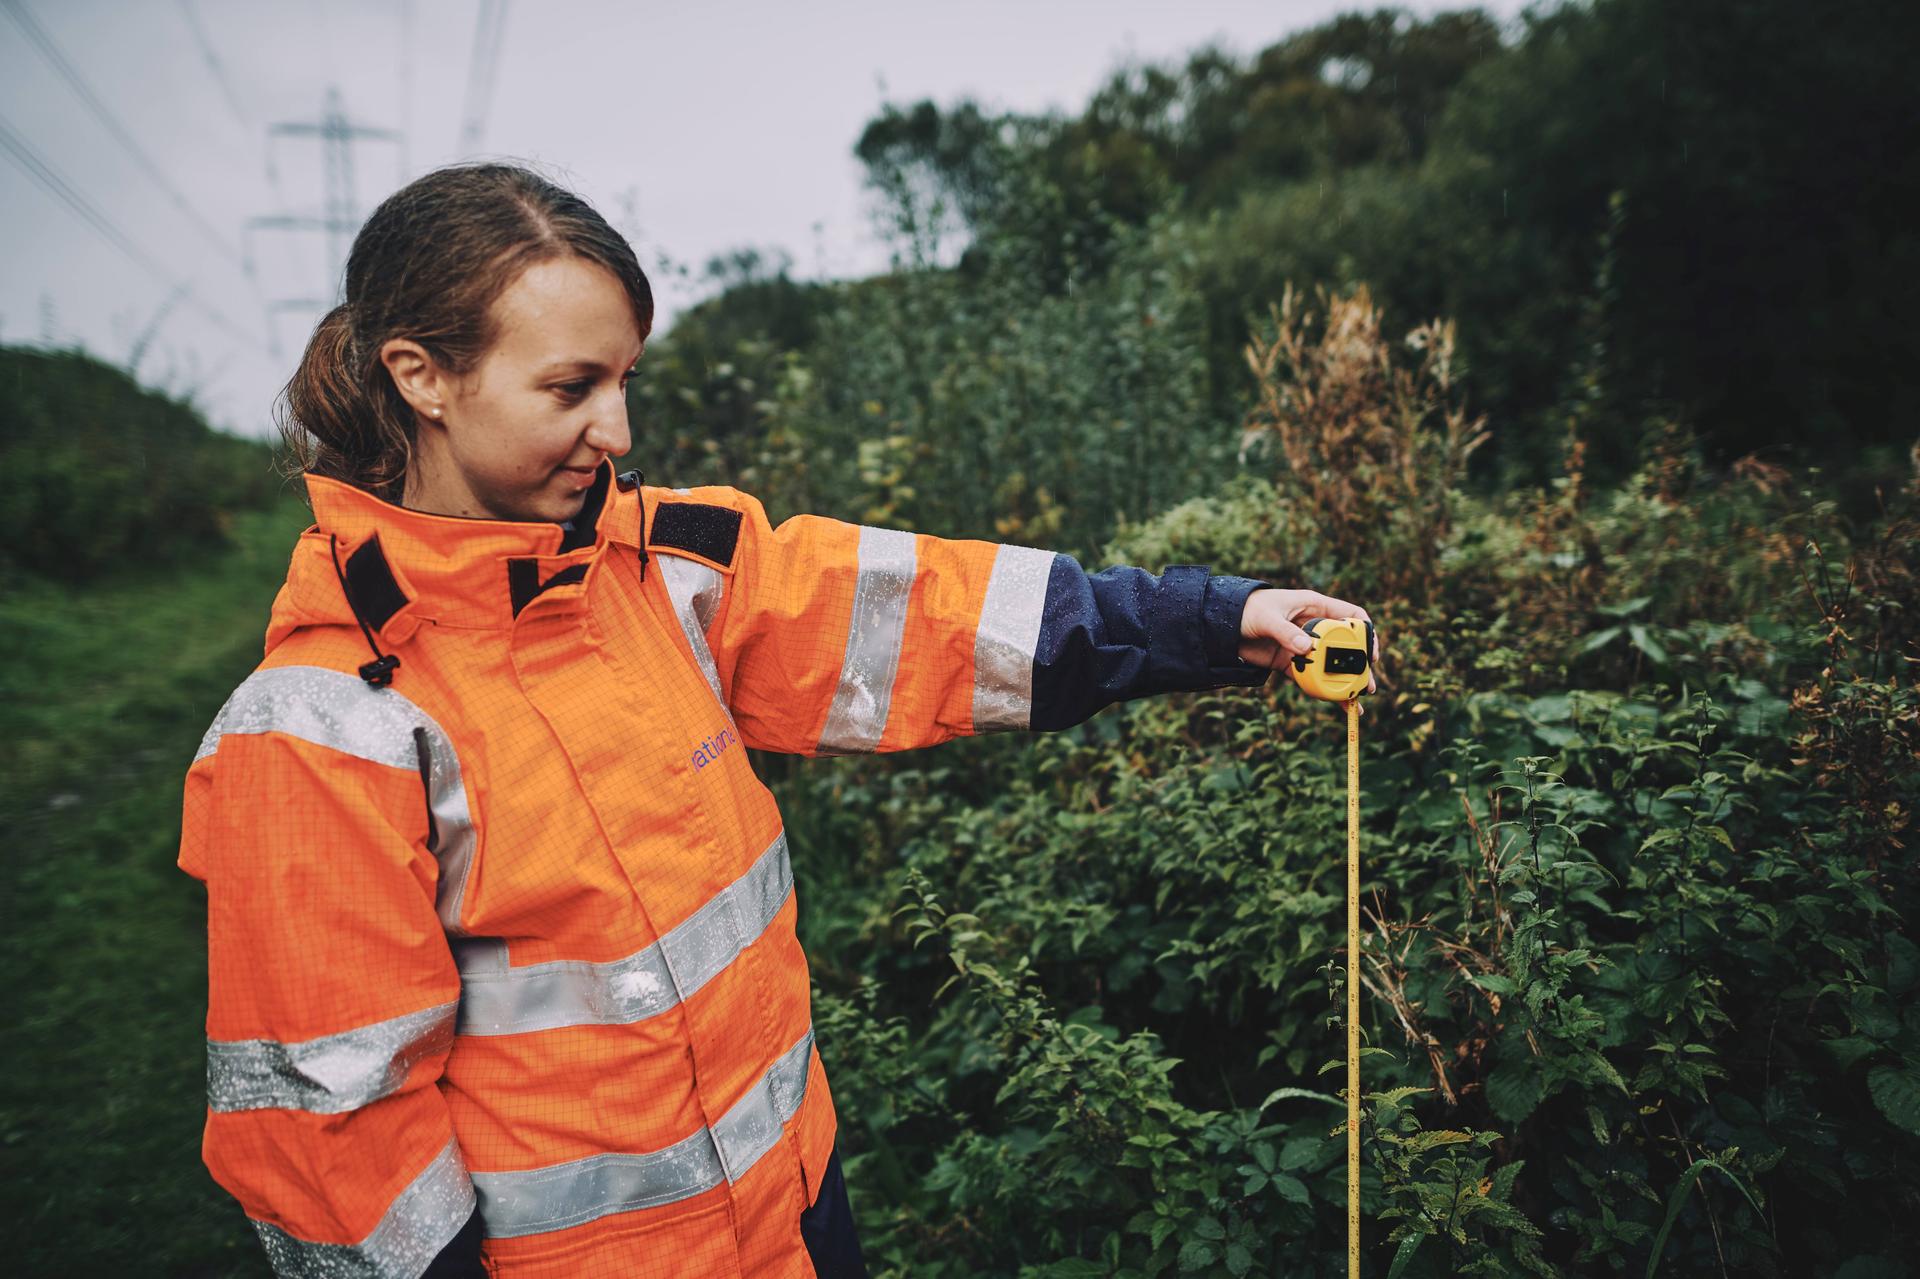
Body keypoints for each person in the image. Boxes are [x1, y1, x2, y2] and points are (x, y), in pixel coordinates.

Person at [176, 161, 1380, 1279]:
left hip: (802, 1218)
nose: (619, 434)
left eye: (625, 379)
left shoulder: (670, 571)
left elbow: (941, 622)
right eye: (571, 388)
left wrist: (1220, 619)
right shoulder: (325, 727)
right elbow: (335, 1144)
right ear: (419, 374)